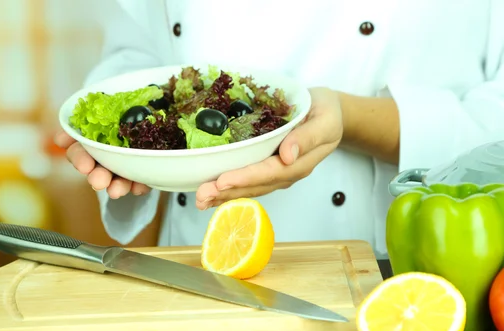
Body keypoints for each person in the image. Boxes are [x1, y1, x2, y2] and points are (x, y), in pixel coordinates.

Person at [54, 0, 504, 259]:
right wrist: (128, 147)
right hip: (205, 263)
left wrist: (349, 118)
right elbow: (137, 51)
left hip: (409, 263)